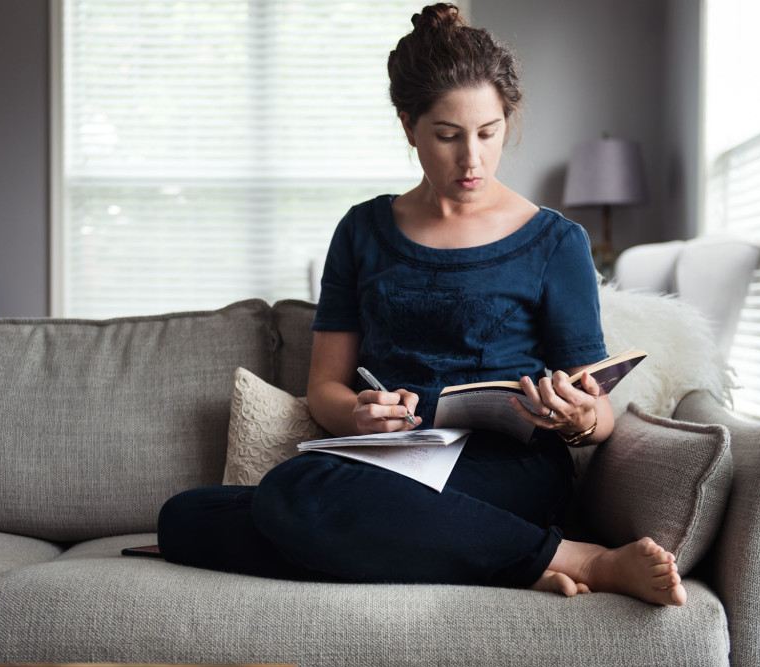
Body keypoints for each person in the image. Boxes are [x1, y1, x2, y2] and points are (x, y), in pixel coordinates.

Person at [158, 2, 686, 607]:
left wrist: (576, 419)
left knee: (290, 498)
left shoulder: (555, 241)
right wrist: (359, 414)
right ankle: (503, 557)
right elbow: (326, 388)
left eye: (488, 134)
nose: (472, 160)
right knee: (186, 515)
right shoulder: (362, 231)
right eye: (447, 136)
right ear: (409, 125)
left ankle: (578, 557)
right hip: (389, 461)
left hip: (507, 468)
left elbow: (599, 415)